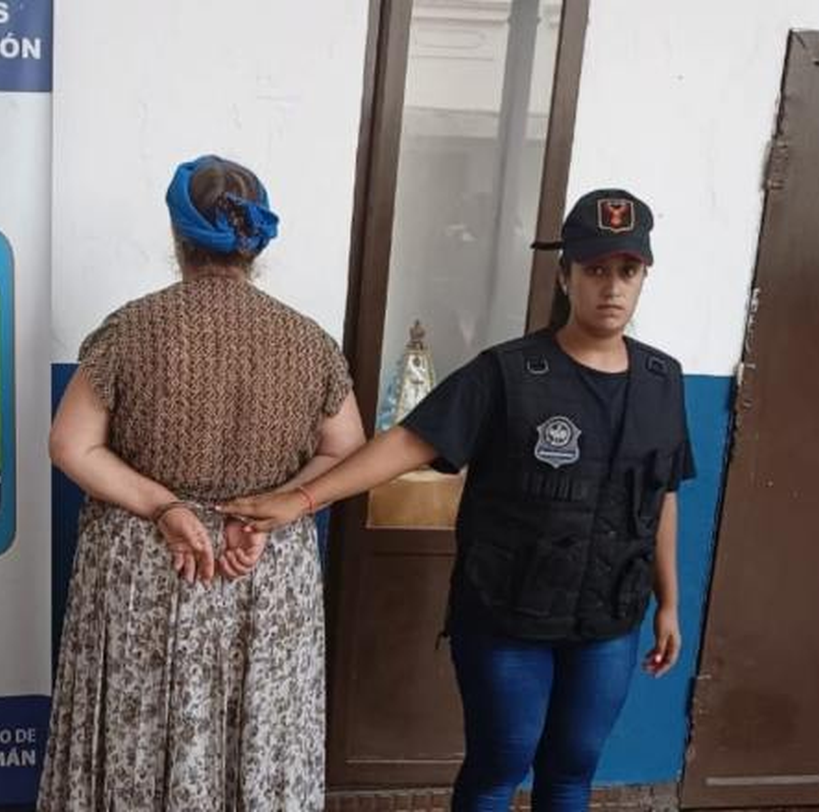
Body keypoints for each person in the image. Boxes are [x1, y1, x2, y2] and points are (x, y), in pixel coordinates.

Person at [222, 189, 694, 812]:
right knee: (501, 763)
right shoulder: (509, 374)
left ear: (643, 277)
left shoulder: (663, 382)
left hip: (608, 619)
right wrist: (302, 499)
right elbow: (406, 444)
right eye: (596, 269)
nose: (612, 287)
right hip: (507, 616)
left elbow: (661, 496)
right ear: (565, 276)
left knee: (573, 768)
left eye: (627, 271)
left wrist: (669, 602)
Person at [36, 155, 366, 811]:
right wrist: (275, 509)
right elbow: (346, 450)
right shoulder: (309, 343)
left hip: (149, 573)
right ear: (255, 243)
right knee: (257, 736)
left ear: (177, 232)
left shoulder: (130, 331)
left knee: (136, 740)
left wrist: (163, 506)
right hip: (262, 573)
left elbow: (71, 445)